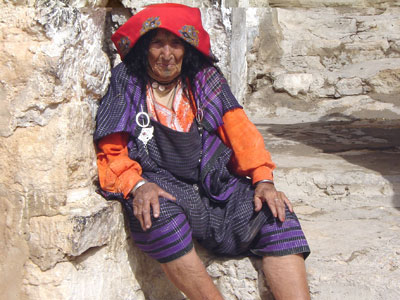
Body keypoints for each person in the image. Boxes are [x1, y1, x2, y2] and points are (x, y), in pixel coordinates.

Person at [94, 3, 310, 300]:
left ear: (187, 49)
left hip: (216, 183)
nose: (166, 55)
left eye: (175, 44)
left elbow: (240, 131)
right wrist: (138, 186)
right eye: (157, 43)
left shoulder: (205, 79)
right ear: (145, 48)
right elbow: (112, 150)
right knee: (155, 214)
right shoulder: (128, 80)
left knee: (277, 213)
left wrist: (263, 180)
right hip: (164, 184)